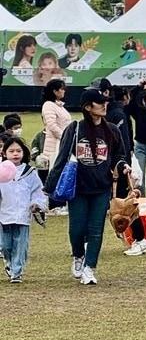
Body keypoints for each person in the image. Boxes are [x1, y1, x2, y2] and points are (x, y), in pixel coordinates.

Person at [45, 88, 132, 285]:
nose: (104, 105)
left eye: (105, 101)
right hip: (78, 189)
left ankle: (89, 268)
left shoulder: (112, 130)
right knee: (76, 229)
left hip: (101, 188)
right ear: (87, 107)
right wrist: (49, 188)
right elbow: (62, 158)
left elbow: (119, 155)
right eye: (99, 102)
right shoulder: (75, 128)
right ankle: (78, 256)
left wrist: (122, 165)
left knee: (96, 230)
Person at [0, 136, 48, 282]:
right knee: (5, 245)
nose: (15, 154)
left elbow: (38, 191)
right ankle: (9, 262)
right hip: (3, 214)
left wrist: (36, 204)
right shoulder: (1, 171)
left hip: (22, 214)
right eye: (11, 151)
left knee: (21, 245)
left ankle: (17, 271)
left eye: (18, 151)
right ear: (4, 153)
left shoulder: (30, 172)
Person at [40, 78, 72, 182]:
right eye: (62, 89)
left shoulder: (59, 106)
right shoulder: (48, 105)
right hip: (55, 145)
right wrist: (65, 137)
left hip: (63, 143)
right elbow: (52, 126)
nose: (64, 91)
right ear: (55, 91)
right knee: (55, 172)